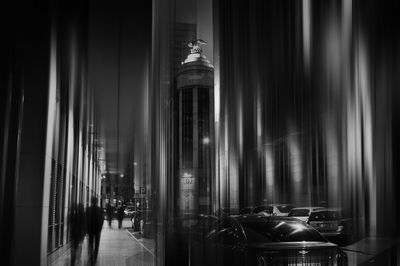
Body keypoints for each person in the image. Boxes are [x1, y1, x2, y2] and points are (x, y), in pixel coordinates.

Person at [86, 197, 104, 266]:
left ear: (91, 201)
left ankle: (91, 258)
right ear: (96, 202)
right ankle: (95, 258)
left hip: (90, 230)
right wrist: (100, 228)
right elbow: (102, 220)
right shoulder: (99, 209)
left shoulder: (88, 209)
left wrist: (87, 229)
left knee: (90, 244)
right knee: (96, 245)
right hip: (97, 230)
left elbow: (86, 219)